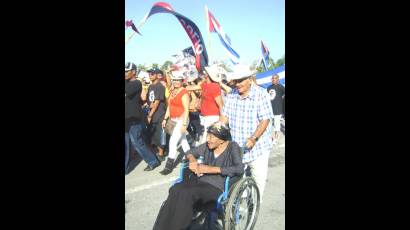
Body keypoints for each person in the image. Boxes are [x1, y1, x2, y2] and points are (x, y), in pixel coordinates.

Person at [153, 122, 244, 230]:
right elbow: (189, 152)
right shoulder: (207, 145)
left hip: (216, 187)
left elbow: (239, 169)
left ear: (221, 139)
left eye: (212, 136)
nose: (208, 139)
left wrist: (209, 169)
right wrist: (192, 160)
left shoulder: (232, 147)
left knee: (187, 194)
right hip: (201, 181)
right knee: (175, 189)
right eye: (208, 135)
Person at [219, 64, 274, 202]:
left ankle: (255, 204)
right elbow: (224, 117)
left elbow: (265, 119)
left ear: (250, 79)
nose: (238, 84)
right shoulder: (231, 95)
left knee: (258, 178)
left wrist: (254, 138)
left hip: (258, 147)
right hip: (237, 147)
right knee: (237, 177)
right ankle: (239, 199)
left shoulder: (261, 94)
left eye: (241, 80)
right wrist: (217, 130)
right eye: (236, 81)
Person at [125, 62, 160, 173]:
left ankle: (153, 161)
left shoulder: (136, 83)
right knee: (126, 144)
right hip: (127, 118)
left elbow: (127, 92)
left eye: (127, 71)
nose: (125, 73)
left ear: (134, 72)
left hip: (134, 118)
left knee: (137, 142)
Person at [159, 70, 191, 175]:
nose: (177, 82)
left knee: (173, 141)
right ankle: (191, 158)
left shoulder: (184, 92)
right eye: (175, 80)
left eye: (179, 80)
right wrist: (165, 119)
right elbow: (169, 106)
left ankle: (169, 166)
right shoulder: (173, 91)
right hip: (173, 119)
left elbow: (186, 109)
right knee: (183, 141)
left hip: (182, 119)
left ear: (182, 81)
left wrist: (185, 124)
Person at [185, 65, 224, 145]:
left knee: (207, 138)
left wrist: (221, 119)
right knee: (208, 137)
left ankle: (202, 156)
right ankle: (206, 155)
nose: (204, 74)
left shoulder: (215, 86)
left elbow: (220, 104)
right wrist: (181, 88)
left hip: (213, 116)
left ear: (208, 75)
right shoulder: (205, 85)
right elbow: (194, 87)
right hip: (205, 116)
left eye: (206, 73)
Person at [146, 68, 167, 161]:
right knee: (154, 134)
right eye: (149, 73)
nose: (150, 75)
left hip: (159, 114)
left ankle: (161, 154)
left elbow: (157, 102)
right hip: (153, 112)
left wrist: (150, 115)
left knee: (160, 134)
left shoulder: (160, 86)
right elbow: (150, 100)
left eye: (152, 74)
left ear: (157, 75)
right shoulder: (150, 86)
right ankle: (159, 151)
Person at [267, 74, 285, 144]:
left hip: (278, 109)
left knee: (276, 125)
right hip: (270, 109)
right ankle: (270, 137)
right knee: (270, 125)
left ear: (278, 79)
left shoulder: (280, 87)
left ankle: (275, 138)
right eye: (272, 78)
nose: (273, 80)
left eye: (275, 78)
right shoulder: (269, 88)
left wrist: (281, 99)